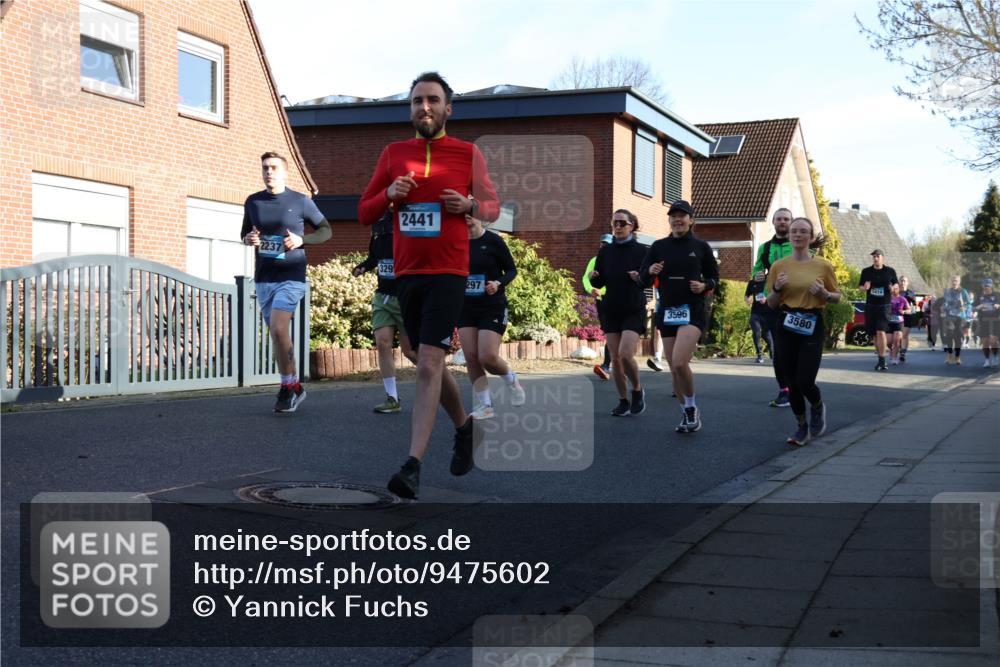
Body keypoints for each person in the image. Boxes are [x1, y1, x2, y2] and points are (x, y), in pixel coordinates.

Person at [358, 72, 500, 499]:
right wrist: (390, 194)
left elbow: (494, 208)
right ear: (410, 109)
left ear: (447, 108)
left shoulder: (468, 154)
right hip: (407, 274)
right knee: (424, 359)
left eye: (433, 100)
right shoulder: (393, 154)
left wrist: (470, 204)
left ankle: (412, 465)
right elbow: (364, 212)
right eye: (417, 100)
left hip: (449, 272)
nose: (425, 106)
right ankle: (464, 428)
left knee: (428, 364)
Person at [241, 151, 331, 412]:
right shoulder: (253, 202)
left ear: (285, 173)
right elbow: (245, 233)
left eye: (274, 168)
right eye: (265, 168)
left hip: (291, 276)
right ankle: (291, 386)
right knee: (277, 334)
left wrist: (303, 240)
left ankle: (289, 387)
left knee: (279, 328)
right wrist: (249, 239)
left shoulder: (300, 201)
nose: (269, 172)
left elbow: (326, 230)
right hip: (264, 277)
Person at [641, 199, 719, 433]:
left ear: (690, 220)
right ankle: (686, 411)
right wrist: (650, 271)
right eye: (673, 216)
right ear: (670, 220)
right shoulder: (658, 246)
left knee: (679, 361)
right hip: (667, 310)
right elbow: (642, 279)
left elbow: (714, 278)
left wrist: (704, 285)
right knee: (674, 368)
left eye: (682, 216)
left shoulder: (701, 247)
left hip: (692, 309)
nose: (677, 219)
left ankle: (692, 406)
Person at [765, 217, 840, 446]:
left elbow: (837, 297)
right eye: (794, 231)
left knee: (805, 380)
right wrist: (777, 288)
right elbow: (771, 303)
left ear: (810, 237)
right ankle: (801, 426)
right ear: (789, 235)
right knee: (791, 381)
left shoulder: (823, 265)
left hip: (812, 322)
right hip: (786, 322)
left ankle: (817, 406)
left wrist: (824, 294)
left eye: (803, 231)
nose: (798, 235)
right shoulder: (779, 266)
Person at [459, 214, 524, 419]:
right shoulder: (456, 242)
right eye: (462, 213)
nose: (466, 217)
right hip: (465, 307)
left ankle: (511, 379)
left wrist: (498, 283)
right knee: (471, 357)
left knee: (487, 357)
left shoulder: (493, 240)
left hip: (492, 306)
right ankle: (485, 405)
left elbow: (511, 270)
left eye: (470, 212)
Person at [352, 209, 417, 413]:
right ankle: (392, 397)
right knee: (382, 343)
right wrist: (363, 267)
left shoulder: (409, 227)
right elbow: (374, 258)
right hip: (383, 297)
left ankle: (438, 378)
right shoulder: (377, 232)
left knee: (409, 351)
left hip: (405, 297)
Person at [589, 209, 648, 417]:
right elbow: (600, 282)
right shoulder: (605, 252)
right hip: (611, 309)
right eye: (614, 223)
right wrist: (594, 277)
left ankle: (637, 390)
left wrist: (638, 277)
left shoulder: (642, 251)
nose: (618, 227)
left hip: (633, 308)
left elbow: (648, 281)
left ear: (632, 225)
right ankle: (623, 401)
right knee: (615, 358)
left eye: (622, 223)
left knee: (625, 354)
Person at [751, 209, 793, 406]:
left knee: (795, 348)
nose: (782, 222)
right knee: (778, 349)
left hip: (797, 303)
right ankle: (784, 390)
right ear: (773, 222)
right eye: (779, 219)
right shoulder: (765, 247)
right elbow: (757, 270)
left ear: (791, 222)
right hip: (773, 303)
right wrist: (757, 275)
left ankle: (798, 386)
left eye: (786, 219)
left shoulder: (799, 245)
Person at [859, 249, 899, 371]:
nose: (875, 258)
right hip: (871, 306)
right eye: (874, 256)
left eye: (878, 256)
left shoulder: (890, 271)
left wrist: (893, 288)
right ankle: (880, 359)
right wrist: (864, 287)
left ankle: (882, 361)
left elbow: (896, 285)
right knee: (874, 335)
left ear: (882, 258)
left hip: (884, 306)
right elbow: (860, 287)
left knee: (881, 331)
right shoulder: (866, 271)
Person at [583, 235, 614, 380]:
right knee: (609, 332)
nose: (603, 247)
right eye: (602, 244)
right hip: (602, 301)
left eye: (606, 245)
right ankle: (608, 364)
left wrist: (601, 290)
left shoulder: (617, 260)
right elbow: (585, 278)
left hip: (617, 300)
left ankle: (607, 365)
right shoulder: (594, 261)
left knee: (613, 332)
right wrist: (591, 289)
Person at [940, 275, 972, 365]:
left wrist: (964, 307)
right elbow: (945, 303)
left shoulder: (963, 291)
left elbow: (969, 304)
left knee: (958, 337)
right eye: (953, 280)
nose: (954, 282)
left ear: (959, 282)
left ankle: (957, 356)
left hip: (960, 317)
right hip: (950, 316)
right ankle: (950, 354)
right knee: (949, 335)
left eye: (956, 281)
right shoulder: (947, 291)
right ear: (951, 281)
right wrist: (944, 307)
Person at [745, 275, 774, 363]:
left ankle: (772, 350)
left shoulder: (770, 281)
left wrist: (767, 299)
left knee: (766, 334)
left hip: (767, 313)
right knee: (756, 332)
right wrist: (747, 300)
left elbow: (777, 294)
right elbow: (747, 294)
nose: (759, 274)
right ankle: (759, 355)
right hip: (755, 312)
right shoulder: (752, 282)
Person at [974, 278, 999, 368]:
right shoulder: (979, 296)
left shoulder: (997, 295)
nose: (986, 287)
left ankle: (995, 357)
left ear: (991, 286)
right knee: (985, 342)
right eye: (984, 285)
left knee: (993, 341)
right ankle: (987, 360)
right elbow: (973, 308)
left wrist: (998, 305)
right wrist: (978, 307)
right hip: (983, 321)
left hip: (994, 321)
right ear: (982, 286)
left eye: (988, 285)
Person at [888, 283, 910, 365]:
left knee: (896, 340)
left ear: (899, 289)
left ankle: (894, 358)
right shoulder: (887, 298)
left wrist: (904, 311)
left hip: (899, 322)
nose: (894, 290)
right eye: (893, 289)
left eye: (896, 289)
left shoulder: (902, 299)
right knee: (888, 342)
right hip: (888, 322)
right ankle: (891, 350)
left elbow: (909, 310)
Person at [898, 275, 918, 362]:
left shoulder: (911, 293)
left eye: (904, 281)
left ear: (907, 283)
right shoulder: (896, 292)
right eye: (901, 280)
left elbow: (915, 307)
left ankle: (903, 353)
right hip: (897, 316)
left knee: (904, 335)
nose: (903, 282)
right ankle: (899, 350)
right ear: (899, 282)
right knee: (898, 336)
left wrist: (909, 311)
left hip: (907, 316)